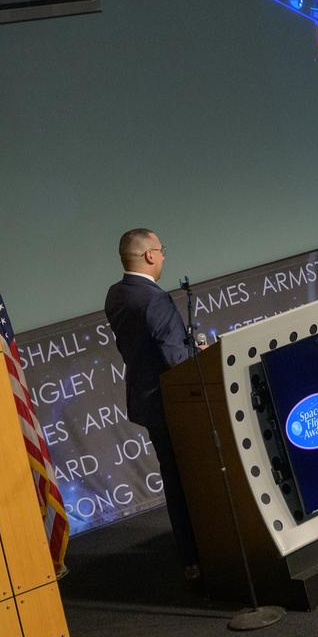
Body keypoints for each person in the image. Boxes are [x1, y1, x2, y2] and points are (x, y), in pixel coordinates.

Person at [104, 228, 203, 579]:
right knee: (194, 476)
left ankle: (191, 557)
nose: (163, 257)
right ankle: (207, 552)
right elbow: (176, 359)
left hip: (148, 399)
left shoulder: (116, 295)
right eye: (160, 251)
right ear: (148, 255)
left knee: (174, 478)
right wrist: (201, 356)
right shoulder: (154, 299)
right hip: (175, 402)